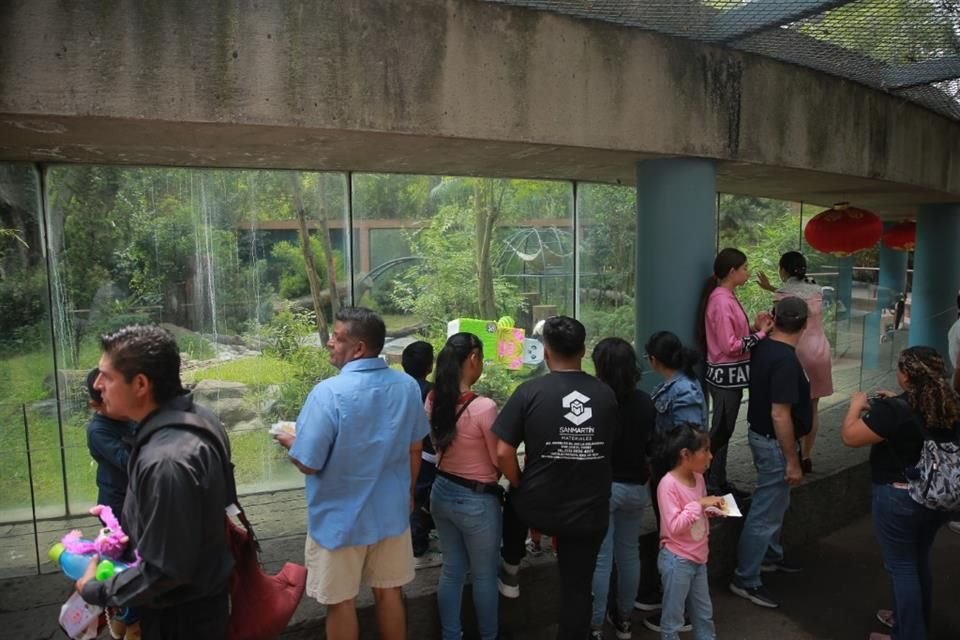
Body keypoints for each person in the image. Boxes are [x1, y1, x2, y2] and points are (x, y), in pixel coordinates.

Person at [274, 307, 429, 640]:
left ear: (358, 348)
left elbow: (309, 461)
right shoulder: (406, 387)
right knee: (390, 594)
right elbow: (414, 447)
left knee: (341, 603)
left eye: (337, 337)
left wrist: (289, 440)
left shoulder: (328, 393)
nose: (329, 342)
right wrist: (409, 495)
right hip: (391, 515)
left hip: (339, 522)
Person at [76, 325, 234, 638]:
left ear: (140, 384)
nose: (97, 384)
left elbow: (166, 570)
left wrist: (97, 590)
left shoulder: (165, 461)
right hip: (205, 602)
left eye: (106, 376)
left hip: (180, 620)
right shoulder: (201, 417)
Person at [494, 316, 618, 640]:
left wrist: (520, 483)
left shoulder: (529, 392)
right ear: (584, 350)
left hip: (537, 506)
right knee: (577, 591)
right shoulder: (605, 395)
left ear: (546, 352)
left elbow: (503, 453)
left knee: (511, 498)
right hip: (588, 511)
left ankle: (510, 564)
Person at [841, 346, 960, 640]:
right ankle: (911, 623)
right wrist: (897, 403)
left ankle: (909, 634)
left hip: (899, 498)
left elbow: (850, 437)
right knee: (918, 560)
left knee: (902, 567)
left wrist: (856, 405)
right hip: (938, 498)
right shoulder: (951, 404)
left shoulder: (894, 411)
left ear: (905, 375)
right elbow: (921, 417)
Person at [729, 297, 810, 609]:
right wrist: (793, 460)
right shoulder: (786, 360)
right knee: (765, 511)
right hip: (774, 441)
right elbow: (781, 415)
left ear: (775, 319)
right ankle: (745, 578)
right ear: (805, 324)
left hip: (761, 435)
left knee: (777, 502)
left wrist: (762, 324)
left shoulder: (763, 347)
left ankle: (770, 557)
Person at [427, 332, 501, 640]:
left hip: (441, 492)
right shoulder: (483, 407)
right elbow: (497, 459)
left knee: (452, 570)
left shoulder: (433, 399)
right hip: (476, 500)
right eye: (481, 358)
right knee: (484, 576)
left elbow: (435, 444)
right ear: (473, 359)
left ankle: (451, 635)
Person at [634, 331, 708, 628]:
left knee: (679, 541)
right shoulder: (677, 385)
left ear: (653, 359)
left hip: (678, 478)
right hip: (670, 475)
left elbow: (689, 439)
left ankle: (680, 613)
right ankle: (671, 597)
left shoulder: (683, 391)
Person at [589, 338, 655, 640]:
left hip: (604, 488)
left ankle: (595, 626)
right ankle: (625, 620)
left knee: (602, 558)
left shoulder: (594, 400)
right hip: (635, 488)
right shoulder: (644, 402)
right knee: (629, 554)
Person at [696, 248, 773, 497]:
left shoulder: (725, 297)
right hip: (725, 377)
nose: (748, 273)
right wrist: (760, 334)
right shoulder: (721, 300)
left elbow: (732, 336)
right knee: (721, 432)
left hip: (730, 376)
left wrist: (756, 327)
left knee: (724, 431)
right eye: (745, 268)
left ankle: (717, 480)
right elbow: (731, 345)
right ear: (732, 271)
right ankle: (710, 482)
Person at [758, 251, 833, 474]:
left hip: (797, 352)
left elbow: (782, 313)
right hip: (820, 350)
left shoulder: (782, 295)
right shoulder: (816, 288)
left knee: (788, 407)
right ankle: (807, 456)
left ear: (784, 270)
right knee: (813, 407)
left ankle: (790, 454)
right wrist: (772, 288)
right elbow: (800, 297)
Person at [656, 424, 724, 640]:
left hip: (698, 557)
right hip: (678, 560)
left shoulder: (699, 479)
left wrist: (711, 510)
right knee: (673, 619)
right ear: (685, 454)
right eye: (705, 450)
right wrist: (701, 504)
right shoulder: (667, 485)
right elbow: (674, 525)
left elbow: (696, 513)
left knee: (703, 614)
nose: (710, 456)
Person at [402, 340, 441, 568]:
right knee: (420, 496)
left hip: (400, 451)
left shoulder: (397, 387)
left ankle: (411, 537)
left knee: (411, 494)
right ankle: (417, 543)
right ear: (429, 366)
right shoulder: (430, 391)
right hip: (426, 454)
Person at [84, 367, 136, 522]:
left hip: (132, 492)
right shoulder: (98, 431)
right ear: (96, 405)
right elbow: (127, 461)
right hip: (116, 501)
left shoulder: (126, 418)